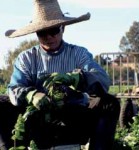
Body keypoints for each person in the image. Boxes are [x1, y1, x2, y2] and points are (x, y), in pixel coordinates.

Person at [3, 0, 120, 149]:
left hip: (73, 118)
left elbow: (102, 80)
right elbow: (14, 88)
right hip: (37, 120)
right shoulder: (26, 58)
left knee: (110, 103)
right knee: (2, 104)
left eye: (53, 30)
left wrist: (76, 78)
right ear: (36, 33)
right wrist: (31, 95)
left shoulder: (78, 54)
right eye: (42, 32)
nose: (49, 37)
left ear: (63, 28)